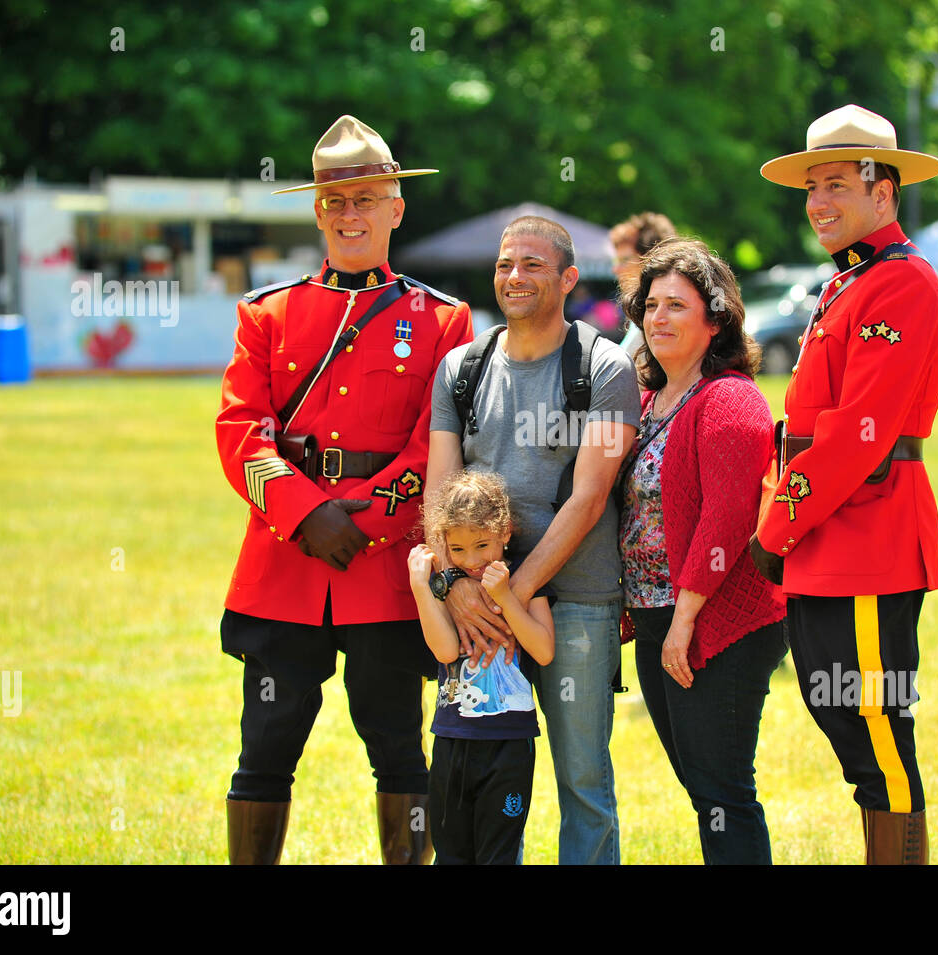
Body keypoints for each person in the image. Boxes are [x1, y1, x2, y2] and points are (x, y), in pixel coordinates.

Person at [216, 115, 473, 864]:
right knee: (264, 746)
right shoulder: (267, 313)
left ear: (397, 207)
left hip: (386, 566)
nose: (350, 214)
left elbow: (441, 438)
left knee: (398, 745)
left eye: (366, 198)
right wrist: (306, 514)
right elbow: (240, 431)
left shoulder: (442, 319)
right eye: (335, 201)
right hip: (287, 559)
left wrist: (365, 519)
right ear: (318, 211)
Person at [753, 104, 938, 864]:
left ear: (885, 193)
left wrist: (775, 529)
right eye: (812, 187)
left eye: (837, 183)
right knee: (848, 725)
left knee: (878, 735)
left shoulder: (899, 285)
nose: (819, 203)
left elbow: (854, 440)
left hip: (866, 535)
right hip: (827, 538)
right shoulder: (850, 283)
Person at [427, 215, 641, 864]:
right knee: (485, 786)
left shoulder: (607, 370)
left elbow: (589, 496)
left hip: (574, 604)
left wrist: (509, 596)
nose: (513, 276)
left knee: (582, 783)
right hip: (476, 610)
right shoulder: (460, 368)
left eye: (532, 265)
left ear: (569, 278)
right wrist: (454, 587)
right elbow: (439, 492)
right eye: (504, 264)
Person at [617, 238, 788, 864]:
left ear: (715, 320)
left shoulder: (730, 399)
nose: (658, 318)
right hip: (662, 612)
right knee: (702, 788)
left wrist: (685, 619)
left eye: (677, 306)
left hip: (717, 618)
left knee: (722, 789)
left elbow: (726, 520)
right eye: (650, 305)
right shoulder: (647, 402)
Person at [407, 469, 555, 864]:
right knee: (452, 853)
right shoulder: (446, 589)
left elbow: (542, 651)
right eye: (457, 550)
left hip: (509, 743)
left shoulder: (524, 583)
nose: (471, 561)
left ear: (506, 532)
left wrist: (506, 597)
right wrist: (422, 587)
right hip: (453, 739)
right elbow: (444, 651)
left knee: (498, 854)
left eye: (482, 545)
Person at [611, 212, 677, 360]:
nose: (616, 269)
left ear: (651, 259)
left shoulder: (661, 318)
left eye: (625, 260)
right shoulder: (642, 312)